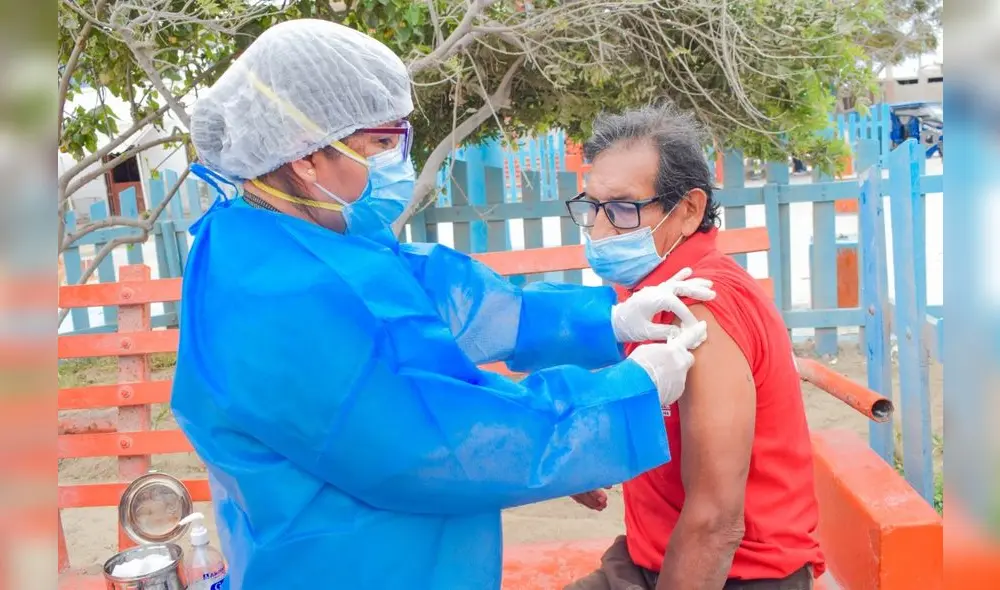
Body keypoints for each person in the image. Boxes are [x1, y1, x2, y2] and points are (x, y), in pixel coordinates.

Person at [171, 19, 716, 590]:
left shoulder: (291, 236)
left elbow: (446, 301)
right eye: (380, 144)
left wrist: (603, 320)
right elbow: (438, 438)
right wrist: (623, 396)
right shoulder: (278, 294)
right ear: (307, 158)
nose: (395, 162)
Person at [562, 105, 824, 590]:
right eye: (592, 208)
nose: (599, 232)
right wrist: (590, 451)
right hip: (649, 555)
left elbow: (715, 524)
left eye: (621, 210)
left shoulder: (700, 306)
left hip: (740, 574)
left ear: (688, 210)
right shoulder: (645, 290)